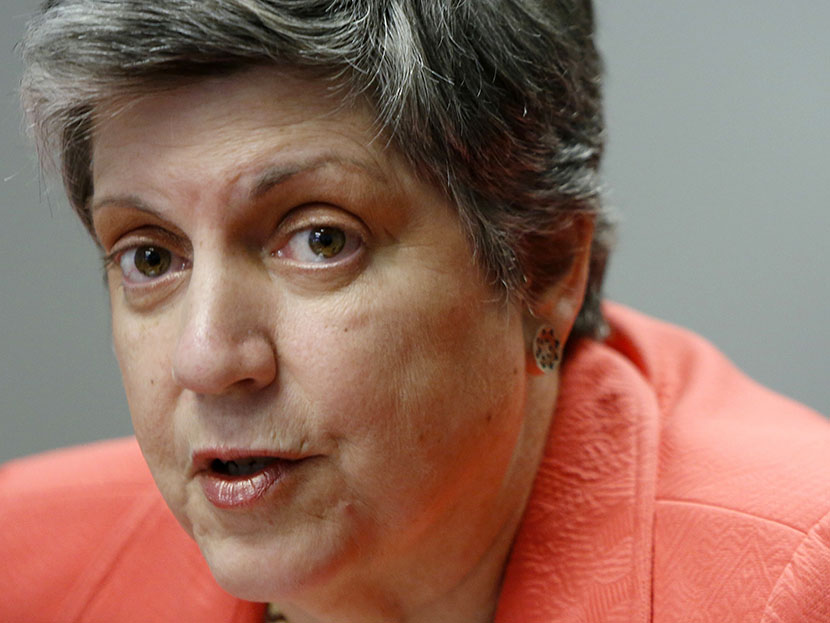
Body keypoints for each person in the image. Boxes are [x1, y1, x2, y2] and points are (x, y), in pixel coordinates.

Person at [2, 1, 829, 622]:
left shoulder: (789, 583)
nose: (207, 356)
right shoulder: (23, 570)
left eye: (320, 238)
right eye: (150, 256)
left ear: (545, 265)